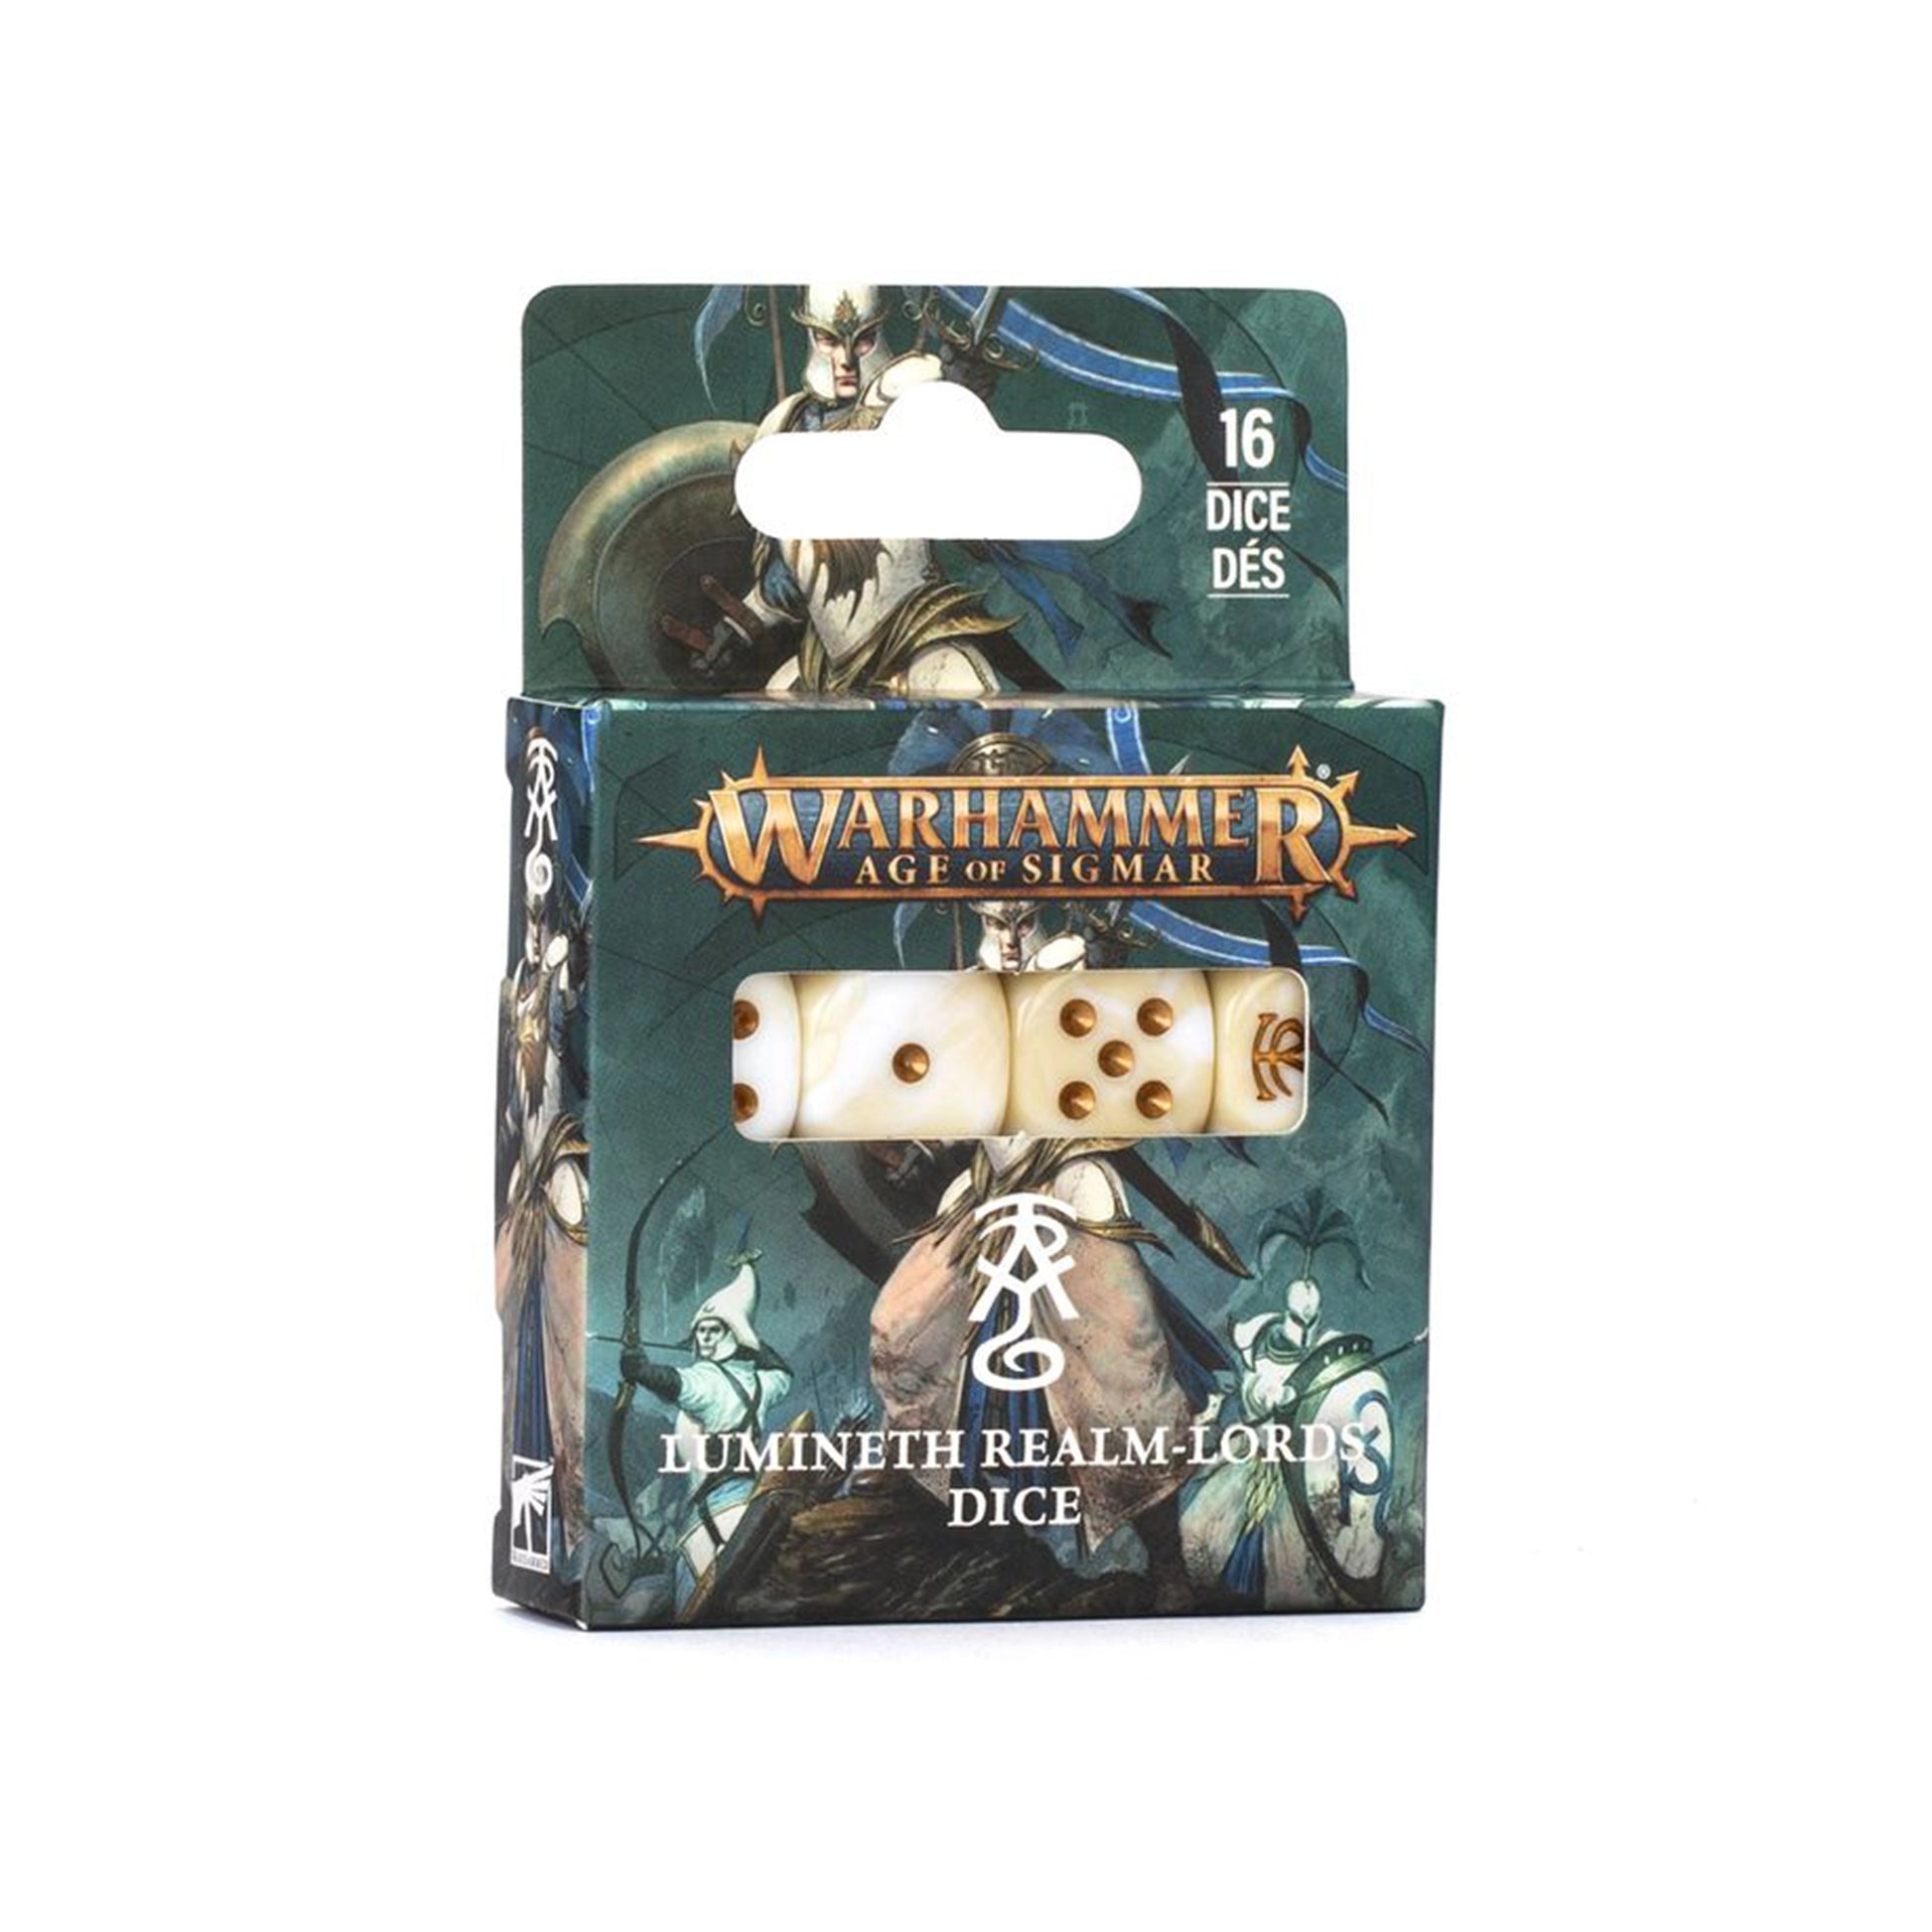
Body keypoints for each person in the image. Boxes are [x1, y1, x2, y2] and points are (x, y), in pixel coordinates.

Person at [619, 1256, 793, 1609]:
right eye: (701, 1330)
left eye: (715, 1329)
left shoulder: (707, 1380)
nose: (705, 1337)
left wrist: (637, 1368)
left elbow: (672, 1381)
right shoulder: (762, 1383)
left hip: (714, 1505)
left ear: (731, 1333)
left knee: (685, 1600)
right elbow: (782, 1373)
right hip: (751, 1497)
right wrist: (749, 1339)